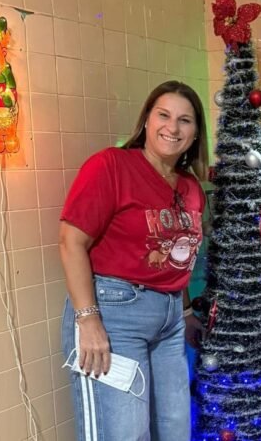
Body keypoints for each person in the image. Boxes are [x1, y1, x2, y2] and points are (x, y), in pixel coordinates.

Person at [59, 80, 209, 440]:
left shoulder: (190, 187)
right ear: (146, 120)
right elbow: (70, 241)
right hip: (114, 315)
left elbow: (178, 257)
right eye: (164, 115)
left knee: (174, 431)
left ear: (195, 134)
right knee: (125, 434)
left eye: (185, 120)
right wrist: (88, 321)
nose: (172, 128)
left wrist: (185, 313)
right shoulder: (111, 165)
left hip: (170, 321)